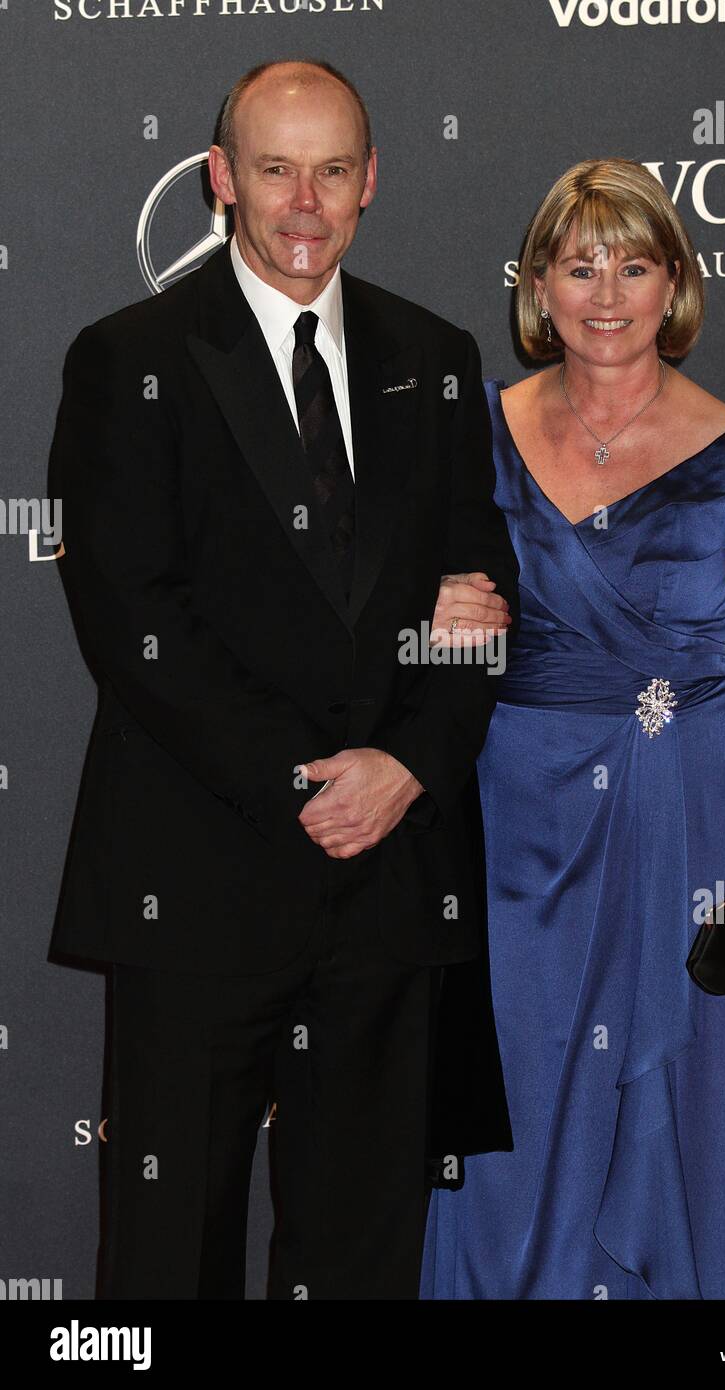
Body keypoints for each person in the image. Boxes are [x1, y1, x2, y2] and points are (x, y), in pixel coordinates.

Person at [47, 59, 519, 1300]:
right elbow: (130, 617)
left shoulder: (435, 353)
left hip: (385, 887)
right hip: (196, 878)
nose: (302, 203)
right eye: (273, 169)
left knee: (363, 1253)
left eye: (330, 170)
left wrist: (407, 766)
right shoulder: (127, 357)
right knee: (164, 1260)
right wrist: (310, 779)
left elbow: (476, 609)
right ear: (221, 181)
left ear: (370, 183)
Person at [420, 158, 725, 1300]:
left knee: (695, 1132)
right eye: (578, 266)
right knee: (508, 1137)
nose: (604, 293)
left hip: (703, 833)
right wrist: (429, 622)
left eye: (633, 264)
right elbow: (401, 637)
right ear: (537, 286)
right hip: (516, 838)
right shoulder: (466, 432)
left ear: (674, 284)